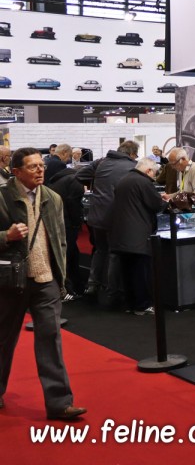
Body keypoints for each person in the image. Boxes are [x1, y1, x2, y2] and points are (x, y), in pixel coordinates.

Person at [0, 147, 86, 420]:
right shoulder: (2, 198)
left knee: (50, 339)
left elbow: (60, 240)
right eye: (32, 166)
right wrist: (6, 236)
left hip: (46, 280)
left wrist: (60, 277)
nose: (40, 170)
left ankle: (60, 403)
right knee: (3, 340)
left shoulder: (53, 198)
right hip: (10, 282)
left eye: (41, 165)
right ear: (16, 172)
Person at [76, 139, 139, 304]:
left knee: (100, 250)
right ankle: (112, 291)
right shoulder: (132, 167)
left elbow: (79, 175)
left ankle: (92, 285)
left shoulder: (101, 162)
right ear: (132, 154)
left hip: (96, 215)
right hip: (116, 217)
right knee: (114, 254)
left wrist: (96, 185)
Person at [109, 158, 166, 315]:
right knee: (141, 272)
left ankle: (131, 304)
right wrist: (168, 201)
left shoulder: (124, 180)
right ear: (148, 171)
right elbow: (157, 205)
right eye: (154, 173)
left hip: (121, 234)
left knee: (127, 272)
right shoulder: (143, 182)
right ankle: (143, 305)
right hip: (138, 235)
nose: (154, 177)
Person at [44, 144, 85, 299]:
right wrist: (77, 222)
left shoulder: (55, 173)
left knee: (68, 253)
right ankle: (66, 289)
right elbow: (73, 203)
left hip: (55, 217)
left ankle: (71, 287)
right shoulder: (71, 177)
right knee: (67, 253)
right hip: (66, 222)